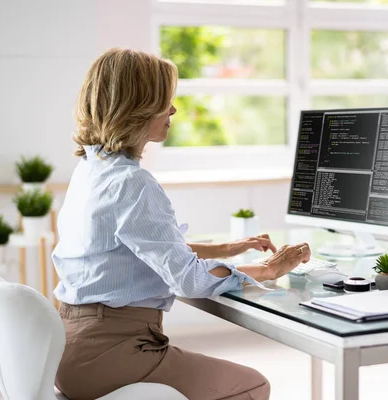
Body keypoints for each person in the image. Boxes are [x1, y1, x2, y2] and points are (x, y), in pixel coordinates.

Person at [52, 48, 311, 400]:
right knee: (253, 386)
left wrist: (228, 248)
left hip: (71, 350)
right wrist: (267, 269)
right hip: (109, 354)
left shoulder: (92, 169)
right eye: (164, 100)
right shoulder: (132, 183)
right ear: (138, 106)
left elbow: (137, 248)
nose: (173, 109)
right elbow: (188, 280)